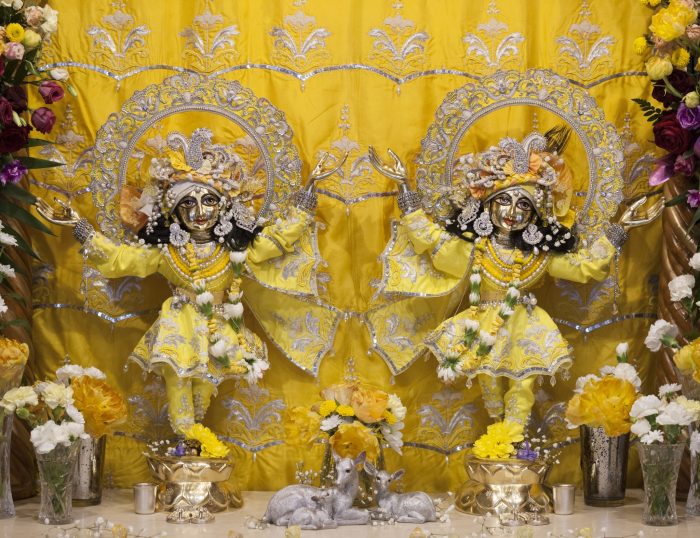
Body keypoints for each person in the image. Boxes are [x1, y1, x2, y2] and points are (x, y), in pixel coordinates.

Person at [36, 128, 342, 435]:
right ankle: (187, 438)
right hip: (178, 327)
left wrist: (310, 189)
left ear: (223, 207)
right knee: (178, 382)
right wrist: (80, 226)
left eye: (208, 201)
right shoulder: (168, 252)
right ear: (174, 214)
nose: (199, 213)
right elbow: (119, 259)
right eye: (187, 204)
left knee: (203, 391)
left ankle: (195, 444)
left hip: (219, 325)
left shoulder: (234, 250)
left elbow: (276, 240)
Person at [369, 129, 662, 433]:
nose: (511, 212)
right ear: (487, 205)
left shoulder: (537, 257)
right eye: (504, 200)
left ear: (535, 216)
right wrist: (404, 186)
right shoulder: (475, 250)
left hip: (526, 327)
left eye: (524, 205)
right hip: (481, 322)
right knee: (489, 385)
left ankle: (513, 437)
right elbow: (428, 238)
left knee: (523, 387)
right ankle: (498, 440)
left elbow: (584, 267)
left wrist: (620, 230)